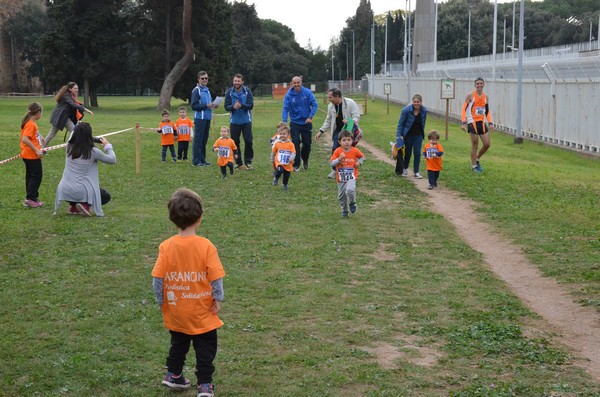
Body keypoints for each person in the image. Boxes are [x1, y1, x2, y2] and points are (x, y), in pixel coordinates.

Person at [151, 188, 226, 397]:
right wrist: (218, 298)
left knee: (179, 342)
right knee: (205, 348)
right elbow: (215, 276)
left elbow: (158, 278)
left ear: (172, 218)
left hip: (177, 310)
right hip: (202, 311)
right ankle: (204, 385)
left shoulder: (166, 246)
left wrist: (161, 300)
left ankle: (173, 374)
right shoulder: (206, 246)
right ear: (200, 218)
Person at [53, 122, 116, 217]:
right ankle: (84, 205)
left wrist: (79, 127)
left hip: (65, 190)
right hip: (83, 190)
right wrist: (107, 146)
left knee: (76, 189)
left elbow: (73, 136)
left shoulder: (69, 147)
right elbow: (112, 160)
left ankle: (73, 206)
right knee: (105, 196)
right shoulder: (93, 151)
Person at [316, 87, 360, 178]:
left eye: (330, 97)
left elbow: (357, 116)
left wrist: (350, 121)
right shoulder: (330, 106)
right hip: (338, 130)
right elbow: (328, 120)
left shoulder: (350, 103)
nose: (329, 99)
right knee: (336, 148)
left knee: (348, 150)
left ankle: (349, 168)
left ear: (337, 96)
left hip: (349, 131)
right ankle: (334, 170)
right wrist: (321, 131)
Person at [281, 76, 318, 171]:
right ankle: (296, 164)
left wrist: (310, 117)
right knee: (295, 142)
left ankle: (305, 159)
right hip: (295, 122)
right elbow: (285, 108)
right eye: (295, 83)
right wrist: (284, 121)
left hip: (306, 122)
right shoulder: (289, 94)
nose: (296, 84)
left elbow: (314, 104)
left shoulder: (307, 92)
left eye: (298, 82)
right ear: (292, 84)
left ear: (301, 82)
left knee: (307, 144)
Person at [43, 82, 94, 148]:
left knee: (74, 132)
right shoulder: (66, 96)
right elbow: (73, 104)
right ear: (70, 89)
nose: (77, 90)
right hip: (59, 117)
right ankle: (41, 148)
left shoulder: (72, 96)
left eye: (77, 88)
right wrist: (86, 110)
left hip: (66, 118)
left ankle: (71, 147)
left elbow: (74, 107)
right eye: (75, 88)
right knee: (52, 134)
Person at [329, 130, 364, 218]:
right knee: (341, 197)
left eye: (349, 140)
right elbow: (331, 163)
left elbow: (362, 157)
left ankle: (352, 202)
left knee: (350, 190)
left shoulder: (355, 150)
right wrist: (339, 159)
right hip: (341, 179)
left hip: (351, 176)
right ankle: (344, 210)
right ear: (339, 142)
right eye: (344, 140)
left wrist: (359, 163)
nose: (347, 142)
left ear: (352, 141)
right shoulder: (337, 151)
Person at [461, 77, 493, 173]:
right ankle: (474, 166)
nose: (479, 85)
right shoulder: (470, 95)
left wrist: (490, 122)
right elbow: (463, 109)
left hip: (481, 122)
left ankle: (477, 159)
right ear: (475, 85)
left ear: (484, 84)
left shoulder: (485, 96)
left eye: (481, 83)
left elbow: (487, 111)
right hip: (472, 122)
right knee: (475, 144)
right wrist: (463, 122)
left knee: (487, 144)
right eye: (478, 83)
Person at [224, 74, 254, 169]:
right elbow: (226, 106)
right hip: (234, 122)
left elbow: (250, 105)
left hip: (246, 121)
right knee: (235, 142)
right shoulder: (229, 92)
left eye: (238, 81)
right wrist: (233, 107)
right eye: (235, 81)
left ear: (242, 82)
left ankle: (248, 161)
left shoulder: (247, 91)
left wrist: (242, 106)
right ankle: (238, 162)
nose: (236, 83)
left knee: (248, 141)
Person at [396, 94, 427, 179]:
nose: (416, 103)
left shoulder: (424, 110)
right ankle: (405, 168)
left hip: (418, 135)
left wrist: (421, 132)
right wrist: (399, 136)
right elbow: (401, 123)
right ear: (412, 102)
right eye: (414, 102)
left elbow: (423, 122)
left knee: (417, 153)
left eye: (418, 102)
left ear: (421, 102)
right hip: (408, 134)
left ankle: (416, 172)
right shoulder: (406, 110)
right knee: (408, 152)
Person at [20, 102, 45, 208]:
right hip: (31, 156)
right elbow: (25, 139)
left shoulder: (30, 122)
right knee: (36, 176)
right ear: (38, 112)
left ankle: (31, 197)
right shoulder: (31, 124)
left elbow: (32, 135)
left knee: (30, 176)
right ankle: (31, 198)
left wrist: (40, 137)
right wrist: (36, 150)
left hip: (27, 155)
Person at [191, 71, 218, 167]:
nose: (204, 80)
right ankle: (196, 160)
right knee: (198, 139)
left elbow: (208, 104)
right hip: (200, 118)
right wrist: (206, 105)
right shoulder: (196, 90)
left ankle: (202, 159)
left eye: (206, 78)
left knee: (204, 139)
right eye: (202, 78)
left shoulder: (207, 90)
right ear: (198, 79)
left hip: (207, 117)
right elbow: (194, 106)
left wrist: (214, 105)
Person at [271, 123, 296, 191]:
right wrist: (272, 157)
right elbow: (274, 151)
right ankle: (276, 178)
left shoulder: (291, 144)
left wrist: (291, 158)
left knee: (286, 175)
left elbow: (293, 152)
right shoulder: (277, 143)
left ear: (288, 135)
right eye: (281, 134)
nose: (282, 135)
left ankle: (285, 184)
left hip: (288, 163)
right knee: (279, 170)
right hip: (279, 161)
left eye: (284, 134)